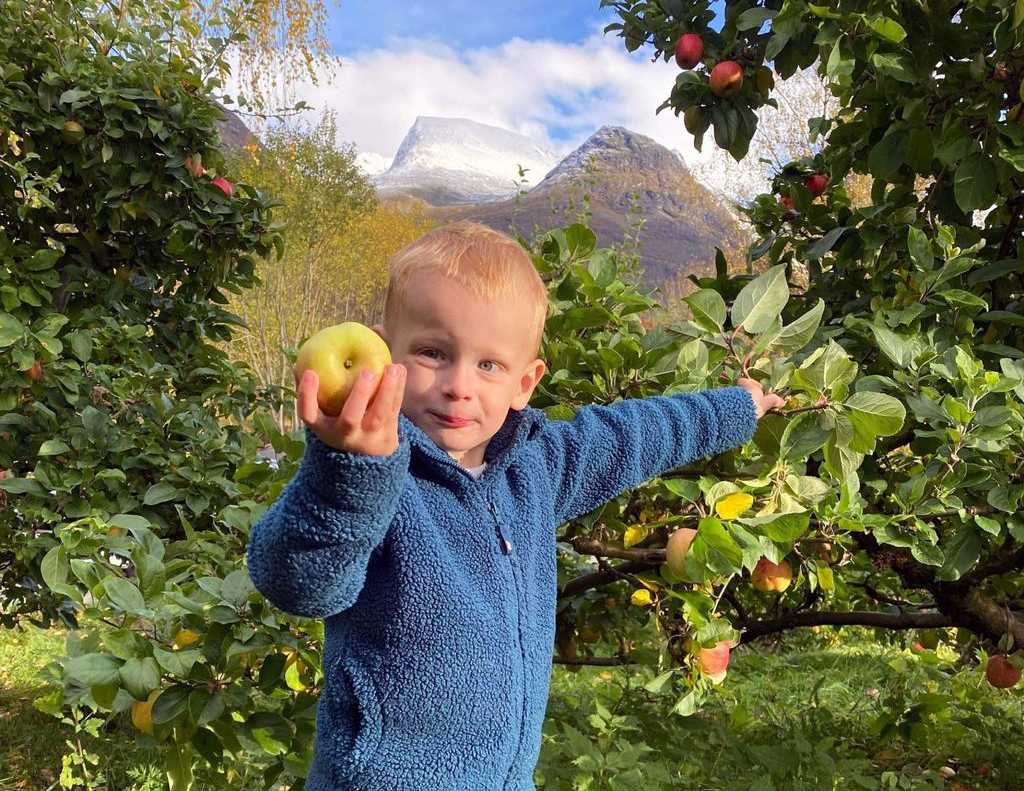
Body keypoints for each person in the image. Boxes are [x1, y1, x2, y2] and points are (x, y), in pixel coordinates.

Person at [246, 220, 784, 791]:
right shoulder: (372, 475)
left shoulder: (537, 467)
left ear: (525, 383)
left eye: (489, 365)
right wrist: (351, 469)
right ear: (384, 355)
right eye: (432, 352)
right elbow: (300, 584)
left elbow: (636, 434)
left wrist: (736, 408)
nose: (459, 385)